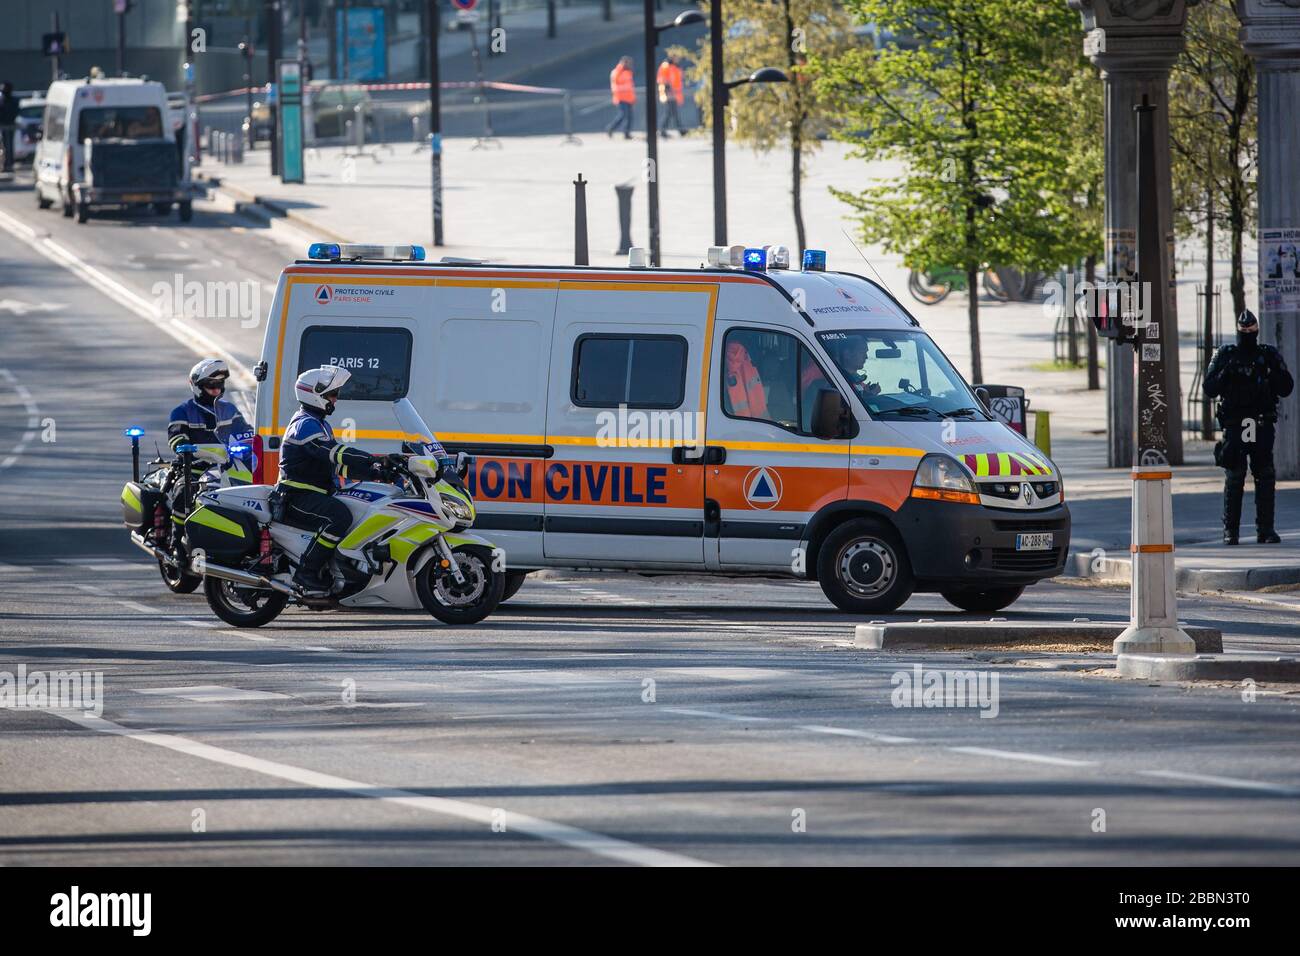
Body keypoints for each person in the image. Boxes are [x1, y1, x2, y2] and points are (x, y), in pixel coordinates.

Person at [278, 365, 389, 594]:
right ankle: (306, 572)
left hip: (314, 493)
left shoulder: (319, 423)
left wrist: (378, 473)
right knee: (339, 517)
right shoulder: (304, 424)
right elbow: (332, 452)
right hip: (297, 495)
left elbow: (337, 465)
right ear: (314, 394)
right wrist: (374, 459)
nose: (335, 400)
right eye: (331, 395)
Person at [1204, 310, 1294, 545]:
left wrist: (1269, 374)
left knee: (1264, 474)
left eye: (1250, 330)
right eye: (1244, 330)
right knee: (1235, 475)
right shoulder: (1226, 354)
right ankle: (1231, 530)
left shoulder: (1267, 355)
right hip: (1235, 423)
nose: (1246, 335)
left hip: (1260, 420)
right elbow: (1210, 387)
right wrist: (1228, 372)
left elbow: (1286, 386)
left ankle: (1265, 529)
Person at [656, 55, 686, 137]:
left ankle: (664, 130)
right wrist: (667, 89)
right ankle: (680, 130)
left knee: (671, 112)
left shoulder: (676, 67)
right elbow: (662, 79)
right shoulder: (666, 66)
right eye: (677, 57)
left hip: (675, 94)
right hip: (669, 93)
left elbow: (679, 79)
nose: (678, 59)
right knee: (671, 112)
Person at [607, 56, 636, 140]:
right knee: (623, 115)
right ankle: (611, 128)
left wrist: (633, 97)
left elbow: (630, 86)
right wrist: (624, 88)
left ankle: (627, 133)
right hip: (621, 98)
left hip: (629, 98)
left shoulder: (628, 72)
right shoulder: (616, 72)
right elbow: (615, 86)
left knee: (629, 116)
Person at [0, 82, 18, 174]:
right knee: (5, 146)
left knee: (8, 146)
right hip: (4, 125)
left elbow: (13, 112)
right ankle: (7, 164)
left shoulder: (11, 101)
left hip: (8, 125)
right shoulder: (3, 100)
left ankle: (8, 164)